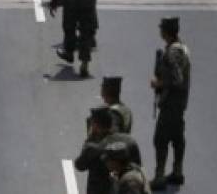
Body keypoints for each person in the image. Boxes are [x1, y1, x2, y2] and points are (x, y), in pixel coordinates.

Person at [150, 17, 191, 190]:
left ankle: (160, 177)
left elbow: (177, 79)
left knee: (160, 139)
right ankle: (177, 172)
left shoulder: (172, 53)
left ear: (165, 31)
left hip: (171, 103)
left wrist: (158, 84)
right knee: (177, 138)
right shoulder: (182, 48)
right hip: (179, 103)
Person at [75, 107, 141, 194]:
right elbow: (138, 167)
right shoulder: (129, 141)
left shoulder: (93, 148)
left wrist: (90, 138)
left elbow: (79, 165)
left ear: (95, 125)